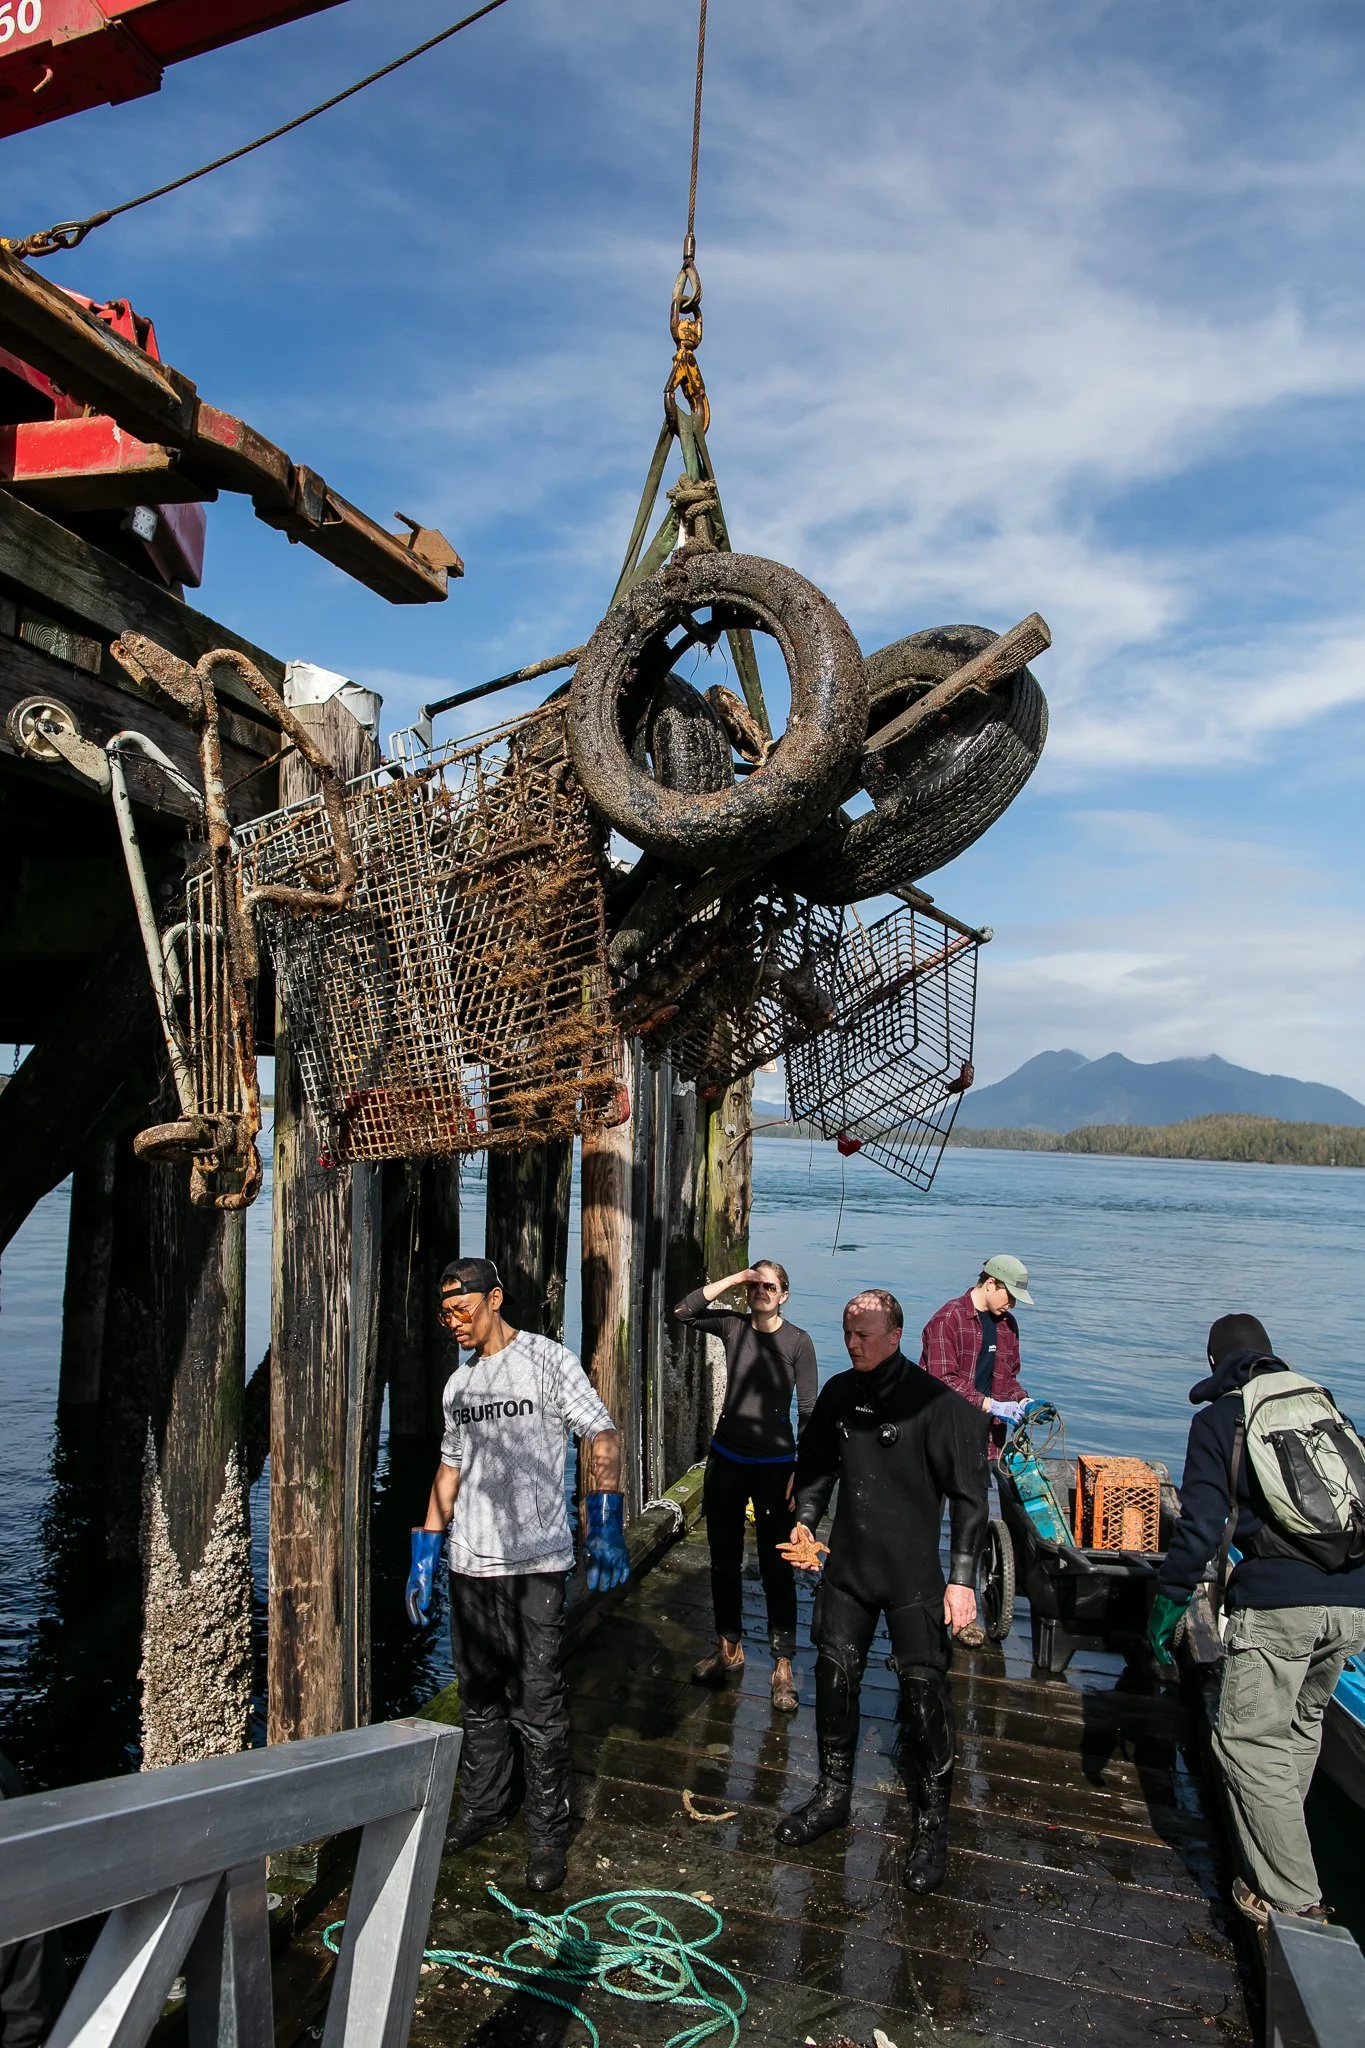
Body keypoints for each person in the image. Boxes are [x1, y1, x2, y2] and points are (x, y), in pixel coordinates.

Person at [405, 1256, 630, 1896]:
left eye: (463, 1310)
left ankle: (546, 1831)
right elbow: (450, 1470)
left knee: (539, 1702)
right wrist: (426, 1549)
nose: (453, 1323)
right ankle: (483, 1806)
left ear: (495, 1299)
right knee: (478, 1696)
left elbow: (603, 1435)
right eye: (444, 1313)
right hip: (469, 1566)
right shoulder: (458, 1388)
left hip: (538, 1565)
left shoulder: (547, 1361)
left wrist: (604, 1520)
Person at [1148, 1313, 1365, 1927]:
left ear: (1214, 1361)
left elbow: (1198, 1530)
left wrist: (1168, 1605)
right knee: (1299, 1726)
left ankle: (1294, 1900)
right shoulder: (1320, 1405)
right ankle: (1276, 1857)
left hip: (1280, 1606)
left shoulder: (1220, 1419)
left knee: (1242, 1740)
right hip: (1353, 1604)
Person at [774, 1289, 989, 1892]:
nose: (854, 1344)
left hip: (915, 1576)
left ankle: (932, 1823)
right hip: (851, 1567)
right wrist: (806, 1523)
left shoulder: (936, 1406)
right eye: (848, 1334)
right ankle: (832, 1794)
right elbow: (815, 1469)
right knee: (834, 1677)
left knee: (924, 1697)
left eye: (865, 1335)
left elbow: (973, 1500)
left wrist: (963, 1580)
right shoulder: (841, 1395)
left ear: (895, 1334)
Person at [674, 1261, 818, 1713]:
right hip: (728, 1460)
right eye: (756, 1285)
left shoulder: (799, 1342)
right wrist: (736, 1279)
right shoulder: (734, 1327)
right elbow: (683, 1311)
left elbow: (809, 1411)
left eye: (769, 1286)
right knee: (724, 1560)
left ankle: (783, 1665)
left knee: (778, 1568)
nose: (761, 1291)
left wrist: (804, 1469)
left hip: (776, 1466)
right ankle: (728, 1647)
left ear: (785, 1295)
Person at [920, 1256, 1032, 1647]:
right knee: (926, 1525)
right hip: (936, 1438)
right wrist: (987, 1405)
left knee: (971, 1519)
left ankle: (964, 1612)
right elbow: (940, 1380)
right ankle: (924, 1607)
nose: (1012, 1304)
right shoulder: (946, 1320)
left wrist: (1023, 1402)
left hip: (982, 1442)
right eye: (1010, 1295)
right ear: (990, 1284)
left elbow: (1007, 1379)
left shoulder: (1007, 1326)